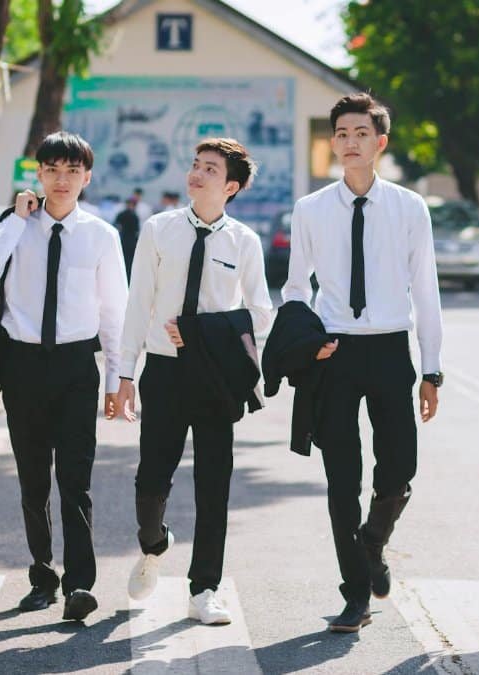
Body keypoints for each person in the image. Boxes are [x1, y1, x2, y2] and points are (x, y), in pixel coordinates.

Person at [281, 93, 443, 633]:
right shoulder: (310, 209)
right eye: (342, 133)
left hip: (390, 348)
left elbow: (426, 289)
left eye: (360, 133)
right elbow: (295, 287)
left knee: (399, 467)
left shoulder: (409, 207)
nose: (350, 142)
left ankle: (372, 541)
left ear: (380, 142)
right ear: (334, 143)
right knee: (340, 477)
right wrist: (307, 340)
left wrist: (432, 367)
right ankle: (355, 593)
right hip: (335, 351)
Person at [0, 132, 127, 623]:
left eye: (72, 171)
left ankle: (80, 584)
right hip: (23, 365)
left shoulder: (102, 235)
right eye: (53, 170)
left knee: (75, 480)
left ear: (87, 176)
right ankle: (42, 575)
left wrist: (116, 381)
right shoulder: (12, 226)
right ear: (37, 173)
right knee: (33, 479)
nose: (62, 180)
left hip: (77, 367)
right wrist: (16, 221)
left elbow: (113, 313)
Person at [116, 138, 273, 625]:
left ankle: (204, 588)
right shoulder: (159, 229)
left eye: (209, 169)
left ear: (230, 186)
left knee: (213, 485)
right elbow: (138, 301)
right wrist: (124, 372)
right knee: (150, 481)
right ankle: (153, 542)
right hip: (163, 371)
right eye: (195, 165)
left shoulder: (243, 241)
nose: (196, 174)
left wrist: (204, 330)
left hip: (215, 377)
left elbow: (261, 313)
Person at [114, 195, 142, 276]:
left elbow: (116, 226)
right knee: (130, 262)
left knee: (123, 260)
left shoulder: (121, 214)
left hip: (123, 240)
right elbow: (137, 230)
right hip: (132, 241)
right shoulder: (134, 215)